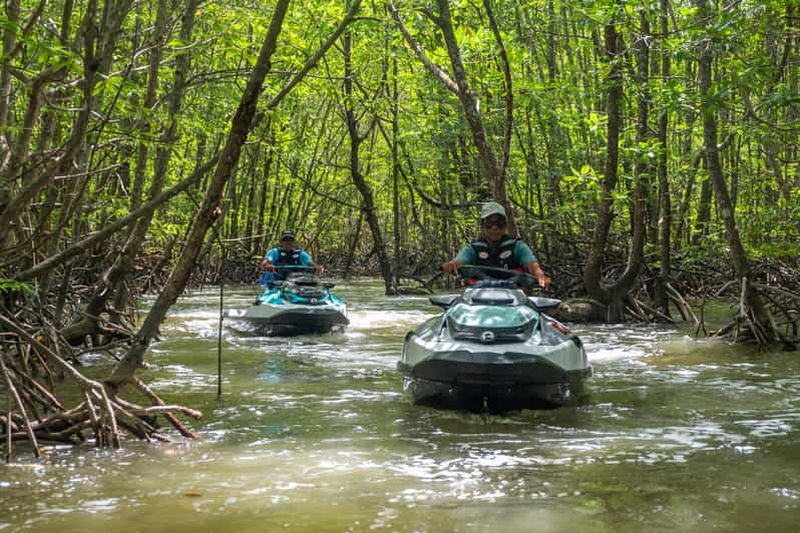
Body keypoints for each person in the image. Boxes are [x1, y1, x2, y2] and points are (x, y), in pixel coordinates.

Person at [442, 202, 551, 289]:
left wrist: (540, 276)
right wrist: (452, 265)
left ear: (505, 226)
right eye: (490, 223)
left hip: (514, 297)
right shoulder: (472, 248)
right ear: (482, 226)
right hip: (480, 296)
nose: (495, 228)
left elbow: (532, 265)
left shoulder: (517, 246)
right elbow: (459, 261)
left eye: (499, 223)